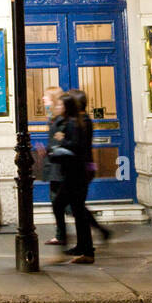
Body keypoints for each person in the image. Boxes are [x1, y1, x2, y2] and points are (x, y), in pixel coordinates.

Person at [48, 91, 94, 264]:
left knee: (61, 205)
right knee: (78, 210)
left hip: (75, 174)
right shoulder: (75, 121)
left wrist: (61, 141)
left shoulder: (75, 123)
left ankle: (80, 247)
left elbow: (76, 147)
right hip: (75, 173)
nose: (57, 107)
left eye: (61, 104)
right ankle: (84, 248)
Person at [72, 89, 111, 244]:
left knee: (77, 206)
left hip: (83, 168)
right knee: (76, 205)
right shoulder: (80, 120)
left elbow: (78, 146)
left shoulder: (83, 121)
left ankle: (88, 242)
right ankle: (91, 237)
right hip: (83, 167)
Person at [42, 87, 69, 247]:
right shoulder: (53, 118)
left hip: (60, 168)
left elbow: (60, 142)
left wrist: (51, 150)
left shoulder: (61, 120)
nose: (43, 100)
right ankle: (61, 234)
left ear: (53, 99)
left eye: (46, 97)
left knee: (62, 203)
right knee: (57, 202)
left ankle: (90, 224)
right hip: (54, 167)